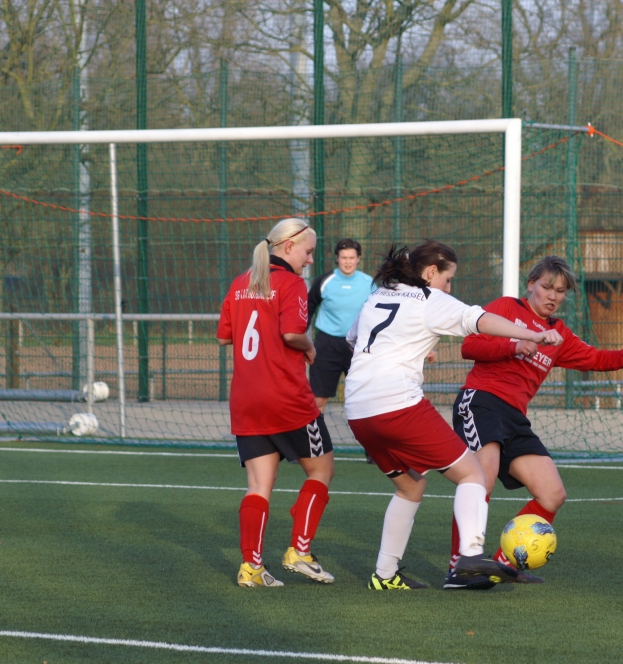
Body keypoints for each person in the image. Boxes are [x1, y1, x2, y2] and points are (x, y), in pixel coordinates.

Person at [344, 241, 564, 590]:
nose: (449, 288)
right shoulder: (430, 299)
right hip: (397, 404)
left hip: (357, 409)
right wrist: (533, 333)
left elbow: (353, 339)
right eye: (448, 280)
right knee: (473, 475)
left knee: (410, 486)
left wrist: (411, 349)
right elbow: (480, 321)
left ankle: (384, 576)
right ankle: (471, 556)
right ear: (431, 273)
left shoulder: (379, 295)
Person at [446, 255, 623, 590]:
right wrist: (517, 345)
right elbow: (470, 345)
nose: (553, 295)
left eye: (560, 290)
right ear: (531, 285)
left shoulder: (558, 333)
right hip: (481, 401)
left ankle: (501, 563)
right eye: (546, 287)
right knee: (481, 481)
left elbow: (596, 359)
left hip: (514, 417)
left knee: (552, 494)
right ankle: (460, 569)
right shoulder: (507, 307)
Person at [217, 218, 337, 588]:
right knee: (321, 470)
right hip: (286, 398)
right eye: (308, 251)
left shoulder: (241, 283)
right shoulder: (291, 284)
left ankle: (251, 567)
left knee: (258, 485)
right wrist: (311, 346)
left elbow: (224, 337)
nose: (310, 260)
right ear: (288, 248)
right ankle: (299, 552)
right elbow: (291, 333)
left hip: (246, 400)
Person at [307, 238, 374, 413]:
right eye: (344, 257)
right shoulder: (324, 281)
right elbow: (308, 308)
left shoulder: (369, 283)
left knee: (364, 399)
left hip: (358, 346)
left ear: (358, 258)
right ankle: (314, 437)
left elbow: (380, 315)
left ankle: (367, 438)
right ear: (337, 258)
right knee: (318, 399)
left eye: (352, 258)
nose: (348, 262)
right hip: (326, 345)